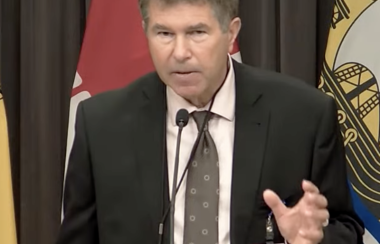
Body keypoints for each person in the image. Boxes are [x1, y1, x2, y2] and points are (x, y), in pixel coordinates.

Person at [56, 0, 364, 243]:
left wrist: (312, 240)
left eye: (196, 33)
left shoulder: (303, 116)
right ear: (144, 29)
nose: (179, 53)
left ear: (231, 33)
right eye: (164, 33)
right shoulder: (101, 125)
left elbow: (346, 229)